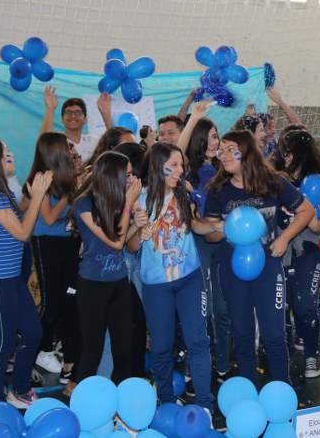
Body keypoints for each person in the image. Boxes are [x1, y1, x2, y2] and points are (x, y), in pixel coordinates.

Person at [204, 130, 315, 385]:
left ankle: (282, 394)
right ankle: (249, 394)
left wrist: (284, 239)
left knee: (274, 335)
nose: (223, 155)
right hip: (232, 271)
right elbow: (210, 237)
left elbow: (307, 211)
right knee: (242, 336)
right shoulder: (218, 190)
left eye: (230, 149)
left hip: (268, 268)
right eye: (221, 150)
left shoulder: (272, 182)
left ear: (246, 153)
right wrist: (222, 229)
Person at [127, 142, 217, 414]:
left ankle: (204, 405)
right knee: (161, 347)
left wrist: (215, 226)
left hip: (190, 279)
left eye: (182, 165)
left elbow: (195, 225)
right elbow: (130, 246)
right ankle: (166, 402)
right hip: (157, 287)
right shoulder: (139, 200)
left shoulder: (182, 194)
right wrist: (139, 232)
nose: (180, 170)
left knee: (198, 341)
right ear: (159, 166)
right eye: (174, 165)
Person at [0, 137, 53, 406]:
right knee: (3, 345)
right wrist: (38, 198)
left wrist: (32, 197)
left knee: (33, 333)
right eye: (5, 153)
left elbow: (19, 221)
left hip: (12, 280)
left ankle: (20, 390)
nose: (11, 154)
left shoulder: (1, 193)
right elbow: (24, 233)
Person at [72, 152, 141, 385]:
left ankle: (121, 399)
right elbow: (115, 242)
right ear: (114, 176)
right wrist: (129, 205)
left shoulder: (117, 200)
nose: (132, 179)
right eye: (128, 175)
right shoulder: (84, 204)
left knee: (124, 349)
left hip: (119, 282)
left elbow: (121, 243)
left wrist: (136, 225)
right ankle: (83, 400)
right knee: (92, 349)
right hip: (93, 286)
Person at [177, 102, 233, 381]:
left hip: (224, 247)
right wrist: (194, 118)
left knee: (222, 309)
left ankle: (223, 364)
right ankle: (194, 368)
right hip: (198, 248)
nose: (213, 142)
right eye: (208, 137)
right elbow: (178, 153)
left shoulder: (225, 171)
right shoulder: (188, 172)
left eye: (215, 136)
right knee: (203, 310)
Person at [273, 130, 320, 378]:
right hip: (279, 251)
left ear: (302, 153)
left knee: (305, 305)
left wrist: (314, 222)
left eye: (290, 152)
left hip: (308, 250)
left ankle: (311, 355)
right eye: (283, 152)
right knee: (282, 306)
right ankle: (284, 353)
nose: (286, 156)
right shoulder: (276, 179)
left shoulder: (318, 182)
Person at [24, 133, 80, 381]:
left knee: (69, 300)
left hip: (68, 242)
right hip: (46, 242)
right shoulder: (42, 178)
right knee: (50, 304)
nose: (71, 151)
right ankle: (36, 351)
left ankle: (66, 354)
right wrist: (69, 192)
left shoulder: (65, 178)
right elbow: (48, 218)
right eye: (66, 147)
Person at [41, 86, 112, 164]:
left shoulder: (93, 141)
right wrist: (49, 109)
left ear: (85, 119)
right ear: (62, 119)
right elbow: (44, 144)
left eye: (78, 113)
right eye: (68, 113)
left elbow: (114, 147)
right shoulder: (59, 143)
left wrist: (106, 114)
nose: (73, 116)